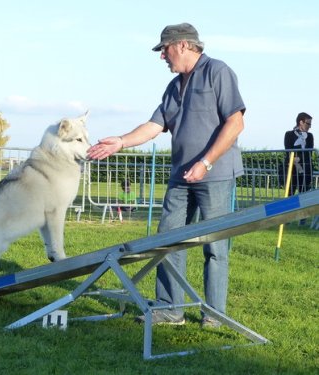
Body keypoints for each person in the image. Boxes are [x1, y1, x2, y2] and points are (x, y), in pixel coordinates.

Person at [88, 23, 245, 328]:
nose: (162, 56)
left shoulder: (218, 71)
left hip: (214, 174)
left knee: (215, 247)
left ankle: (214, 315)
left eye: (164, 49)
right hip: (181, 176)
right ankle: (171, 308)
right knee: (167, 240)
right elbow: (155, 126)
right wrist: (120, 141)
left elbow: (235, 123)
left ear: (183, 45)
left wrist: (206, 163)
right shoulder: (174, 86)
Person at [284, 112, 314, 196]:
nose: (310, 126)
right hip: (292, 169)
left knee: (305, 195)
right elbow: (288, 150)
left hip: (305, 170)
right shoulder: (289, 134)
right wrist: (294, 159)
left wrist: (299, 158)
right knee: (290, 194)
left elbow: (309, 152)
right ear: (301, 122)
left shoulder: (310, 136)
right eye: (308, 123)